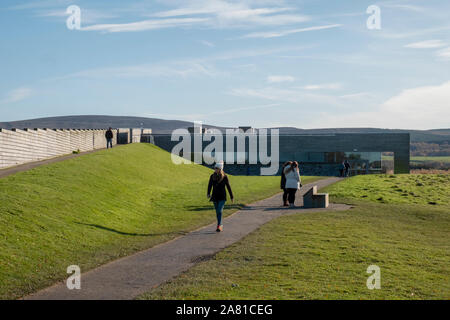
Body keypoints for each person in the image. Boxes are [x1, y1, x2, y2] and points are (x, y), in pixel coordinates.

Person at [207, 161, 234, 232]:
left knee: (219, 210)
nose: (215, 169)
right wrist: (208, 193)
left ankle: (219, 225)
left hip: (222, 197)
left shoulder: (225, 177)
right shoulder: (212, 176)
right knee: (217, 212)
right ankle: (220, 224)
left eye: (216, 168)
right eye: (215, 168)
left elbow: (228, 187)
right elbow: (210, 185)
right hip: (215, 196)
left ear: (220, 169)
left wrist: (231, 196)